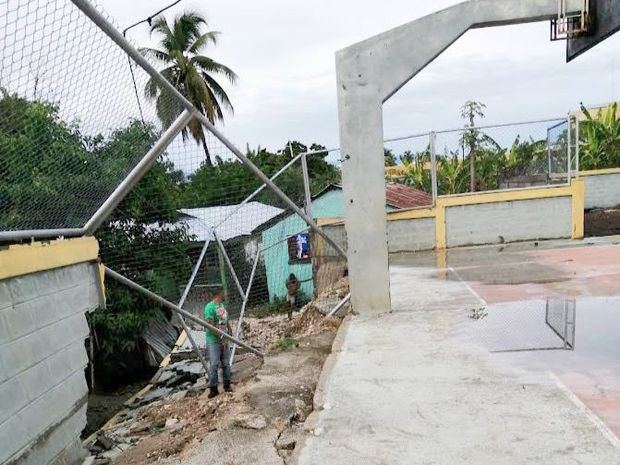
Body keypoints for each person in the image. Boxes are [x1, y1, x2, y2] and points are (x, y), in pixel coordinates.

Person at [204, 288, 232, 398]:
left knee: (225, 363)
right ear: (218, 294)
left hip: (224, 339)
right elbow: (210, 326)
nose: (224, 295)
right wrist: (221, 339)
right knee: (214, 364)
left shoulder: (221, 305)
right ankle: (214, 388)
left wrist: (229, 329)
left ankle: (227, 385)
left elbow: (225, 319)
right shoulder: (209, 307)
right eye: (222, 293)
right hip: (214, 341)